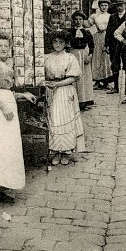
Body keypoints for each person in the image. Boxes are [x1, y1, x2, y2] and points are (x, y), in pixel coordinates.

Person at [0, 33, 36, 212]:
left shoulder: (7, 64)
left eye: (6, 46)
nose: (3, 48)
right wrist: (2, 107)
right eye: (0, 46)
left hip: (7, 106)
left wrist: (23, 95)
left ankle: (0, 187)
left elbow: (7, 90)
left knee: (6, 150)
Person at [45, 30, 85, 165]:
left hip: (65, 90)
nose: (57, 45)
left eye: (61, 42)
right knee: (54, 120)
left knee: (66, 119)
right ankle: (56, 151)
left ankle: (67, 152)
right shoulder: (47, 57)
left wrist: (58, 84)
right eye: (55, 42)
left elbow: (74, 77)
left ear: (65, 43)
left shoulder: (70, 58)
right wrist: (48, 83)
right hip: (52, 91)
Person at [69, 11, 94, 110]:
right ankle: (74, 100)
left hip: (83, 55)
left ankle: (84, 100)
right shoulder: (70, 32)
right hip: (73, 54)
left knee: (84, 77)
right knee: (74, 76)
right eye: (76, 19)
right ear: (73, 20)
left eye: (80, 19)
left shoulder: (86, 32)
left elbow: (92, 45)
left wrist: (90, 55)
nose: (78, 21)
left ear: (83, 21)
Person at [105, 0, 126, 94]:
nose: (119, 7)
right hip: (114, 45)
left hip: (125, 45)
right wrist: (106, 44)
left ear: (125, 6)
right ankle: (116, 87)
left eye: (121, 5)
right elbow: (109, 31)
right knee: (115, 65)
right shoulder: (112, 17)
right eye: (118, 6)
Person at [88, 0, 112, 89]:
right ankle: (97, 81)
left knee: (105, 59)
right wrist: (93, 26)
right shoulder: (95, 16)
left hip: (106, 37)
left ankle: (106, 82)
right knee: (97, 58)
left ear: (108, 6)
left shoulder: (110, 16)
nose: (104, 7)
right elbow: (88, 25)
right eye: (102, 5)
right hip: (97, 37)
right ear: (99, 6)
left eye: (106, 5)